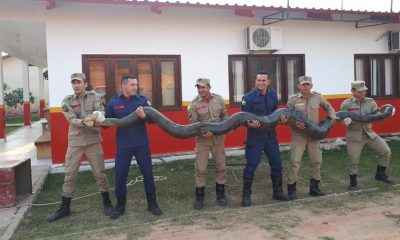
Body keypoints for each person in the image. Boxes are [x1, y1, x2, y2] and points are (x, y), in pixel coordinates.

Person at [48, 73, 113, 223]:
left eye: (79, 82)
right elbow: (71, 119)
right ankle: (65, 208)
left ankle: (107, 203)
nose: (76, 85)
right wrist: (86, 121)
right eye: (73, 83)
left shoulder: (94, 97)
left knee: (100, 173)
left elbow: (101, 112)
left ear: (85, 83)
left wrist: (97, 117)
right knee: (69, 174)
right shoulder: (67, 101)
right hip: (75, 142)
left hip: (93, 141)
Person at [106, 73, 162, 219]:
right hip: (123, 144)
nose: (135, 87)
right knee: (120, 175)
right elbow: (107, 122)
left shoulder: (143, 100)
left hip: (141, 143)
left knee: (148, 173)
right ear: (123, 86)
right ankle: (120, 205)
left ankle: (152, 203)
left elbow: (152, 120)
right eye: (132, 85)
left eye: (136, 84)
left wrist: (145, 117)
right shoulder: (113, 102)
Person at [241, 71, 289, 207]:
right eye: (258, 80)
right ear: (255, 82)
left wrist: (281, 119)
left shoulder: (274, 95)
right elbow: (243, 118)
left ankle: (278, 192)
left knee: (277, 164)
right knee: (251, 165)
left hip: (271, 136)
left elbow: (275, 114)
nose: (260, 83)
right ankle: (246, 195)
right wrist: (249, 123)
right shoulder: (248, 97)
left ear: (269, 82)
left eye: (263, 80)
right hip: (255, 136)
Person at [286, 76, 337, 200]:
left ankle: (315, 188)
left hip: (314, 134)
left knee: (316, 161)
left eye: (307, 84)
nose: (305, 87)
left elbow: (329, 107)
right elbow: (288, 117)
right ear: (299, 86)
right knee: (295, 162)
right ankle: (291, 190)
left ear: (311, 86)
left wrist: (332, 118)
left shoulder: (317, 97)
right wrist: (295, 123)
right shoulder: (292, 100)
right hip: (299, 134)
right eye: (303, 85)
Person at [340, 80, 395, 191]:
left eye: (364, 91)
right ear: (353, 91)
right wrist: (343, 122)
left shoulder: (370, 102)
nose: (363, 93)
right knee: (353, 160)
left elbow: (376, 116)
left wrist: (387, 114)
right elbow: (340, 119)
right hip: (354, 135)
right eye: (360, 91)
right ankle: (353, 183)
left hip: (369, 134)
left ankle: (380, 175)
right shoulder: (346, 104)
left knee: (385, 151)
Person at [188, 78, 228, 210]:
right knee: (200, 169)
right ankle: (199, 198)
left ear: (209, 87)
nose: (201, 90)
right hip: (202, 141)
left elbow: (224, 116)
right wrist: (205, 134)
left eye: (203, 87)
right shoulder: (194, 104)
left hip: (218, 140)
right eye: (198, 88)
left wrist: (223, 129)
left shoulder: (219, 99)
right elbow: (193, 125)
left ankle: (221, 195)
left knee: (221, 166)